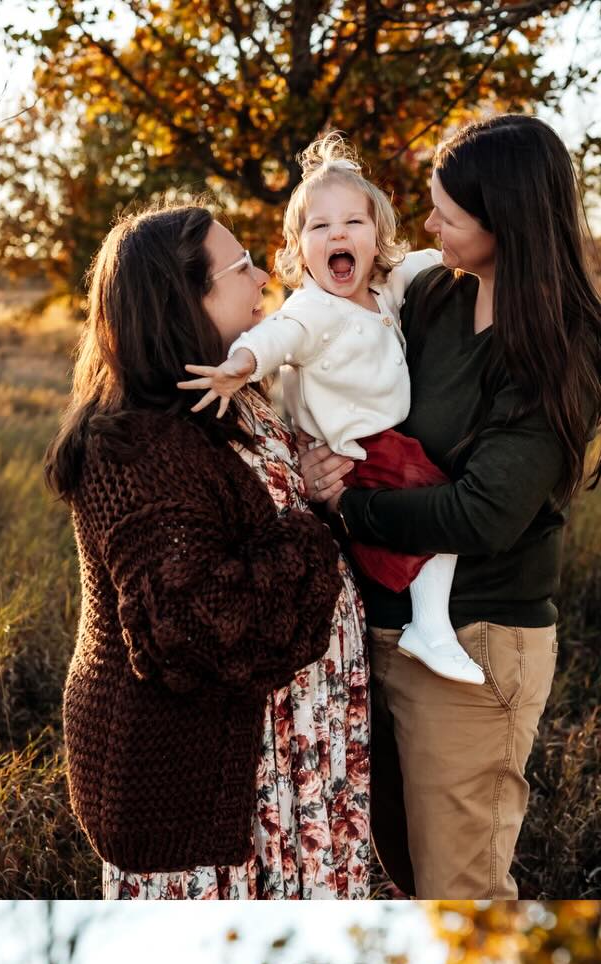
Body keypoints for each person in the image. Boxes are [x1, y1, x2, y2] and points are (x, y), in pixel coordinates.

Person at [299, 115, 601, 901]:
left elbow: (486, 514)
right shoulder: (433, 297)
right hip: (378, 626)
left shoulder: (557, 343)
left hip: (478, 644)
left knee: (460, 892)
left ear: (505, 220)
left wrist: (351, 503)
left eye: (447, 211)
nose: (428, 224)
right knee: (410, 876)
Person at [46, 199, 371, 900]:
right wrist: (314, 525)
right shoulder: (133, 445)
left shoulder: (234, 395)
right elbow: (198, 627)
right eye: (242, 265)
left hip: (295, 764)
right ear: (185, 299)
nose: (262, 278)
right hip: (217, 788)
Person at [181, 134, 482, 686]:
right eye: (319, 227)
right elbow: (278, 333)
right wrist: (241, 363)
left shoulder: (381, 287)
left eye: (353, 224)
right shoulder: (313, 308)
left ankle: (421, 620)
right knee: (437, 510)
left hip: (383, 440)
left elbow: (426, 261)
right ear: (298, 247)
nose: (337, 234)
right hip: (357, 448)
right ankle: (431, 627)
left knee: (428, 518)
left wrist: (479, 243)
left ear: (377, 236)